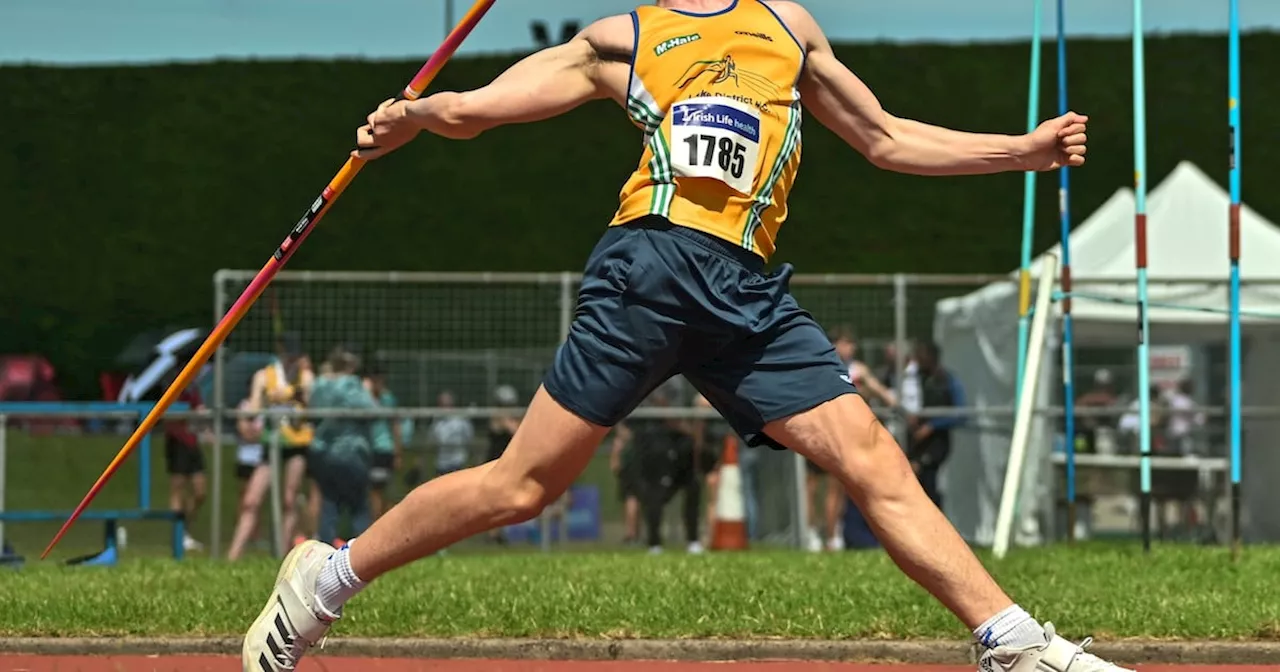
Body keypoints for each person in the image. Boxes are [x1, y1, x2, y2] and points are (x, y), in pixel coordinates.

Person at [242, 4, 1120, 672]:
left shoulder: (789, 29)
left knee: (871, 455)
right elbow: (493, 104)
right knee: (522, 486)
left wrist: (1021, 149)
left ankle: (1011, 644)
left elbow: (885, 138)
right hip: (650, 269)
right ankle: (326, 578)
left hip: (748, 293)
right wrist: (425, 112)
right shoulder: (627, 37)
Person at [248, 333, 316, 547]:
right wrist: (268, 398)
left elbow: (308, 398)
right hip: (272, 441)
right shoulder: (265, 376)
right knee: (251, 500)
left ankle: (282, 548)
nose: (291, 360)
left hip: (296, 443)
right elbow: (254, 408)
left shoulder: (304, 376)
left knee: (289, 498)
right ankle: (233, 556)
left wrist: (290, 393)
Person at [308, 349, 377, 547]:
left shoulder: (320, 385)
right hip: (351, 452)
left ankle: (325, 552)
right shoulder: (351, 385)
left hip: (324, 453)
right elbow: (372, 409)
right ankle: (364, 552)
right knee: (359, 508)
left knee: (329, 505)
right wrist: (368, 390)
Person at [905, 341, 964, 510]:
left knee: (928, 481)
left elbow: (959, 413)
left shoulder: (947, 380)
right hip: (914, 440)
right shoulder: (914, 379)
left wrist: (932, 425)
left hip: (936, 442)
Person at [161, 370, 209, 553]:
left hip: (192, 441)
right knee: (178, 488)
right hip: (177, 441)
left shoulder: (193, 388)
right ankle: (178, 535)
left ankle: (185, 529)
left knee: (200, 491)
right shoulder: (172, 386)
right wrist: (190, 413)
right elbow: (171, 414)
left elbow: (199, 409)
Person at [227, 391, 270, 561]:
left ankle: (256, 536)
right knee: (245, 499)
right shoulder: (244, 405)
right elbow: (245, 431)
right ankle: (243, 538)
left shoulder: (269, 405)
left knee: (257, 501)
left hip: (263, 457)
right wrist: (262, 434)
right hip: (246, 457)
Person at [364, 369, 405, 520]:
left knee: (379, 490)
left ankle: (380, 521)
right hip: (369, 450)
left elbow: (395, 426)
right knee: (374, 491)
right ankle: (379, 520)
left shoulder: (388, 399)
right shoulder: (364, 399)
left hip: (383, 450)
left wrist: (398, 452)